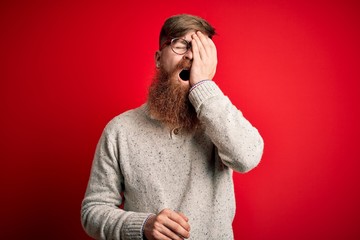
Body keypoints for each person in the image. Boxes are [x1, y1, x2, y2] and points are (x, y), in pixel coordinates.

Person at [81, 14, 264, 240]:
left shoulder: (218, 120)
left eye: (200, 49)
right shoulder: (120, 130)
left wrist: (204, 86)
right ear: (158, 58)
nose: (190, 55)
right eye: (181, 44)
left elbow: (247, 157)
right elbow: (93, 210)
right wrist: (142, 225)